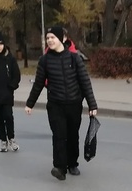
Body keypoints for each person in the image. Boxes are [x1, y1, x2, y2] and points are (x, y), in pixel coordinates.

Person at [25, 26, 98, 181]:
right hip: (55, 105)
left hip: (74, 104)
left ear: (62, 39)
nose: (50, 40)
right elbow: (38, 84)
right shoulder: (44, 60)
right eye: (48, 38)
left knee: (72, 135)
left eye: (53, 37)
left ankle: (72, 163)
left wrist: (92, 105)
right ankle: (59, 167)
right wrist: (30, 103)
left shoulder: (74, 58)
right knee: (59, 136)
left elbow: (85, 82)